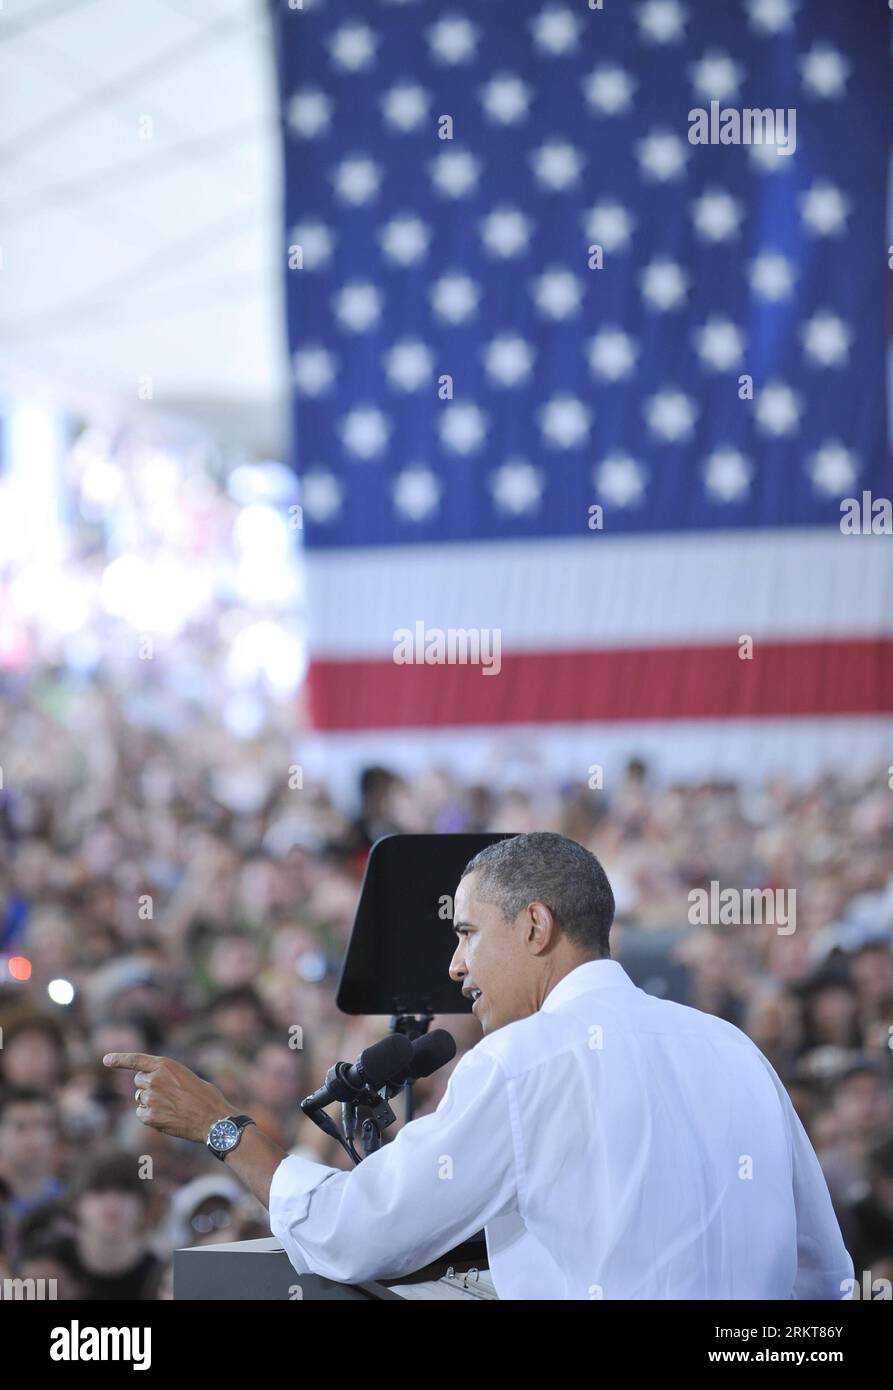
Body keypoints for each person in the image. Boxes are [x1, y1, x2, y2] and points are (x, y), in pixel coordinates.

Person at [103, 832, 855, 1300]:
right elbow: (822, 1275)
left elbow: (359, 1234)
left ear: (534, 925)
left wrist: (224, 1128)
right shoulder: (732, 1048)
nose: (456, 967)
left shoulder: (520, 1061)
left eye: (465, 933)